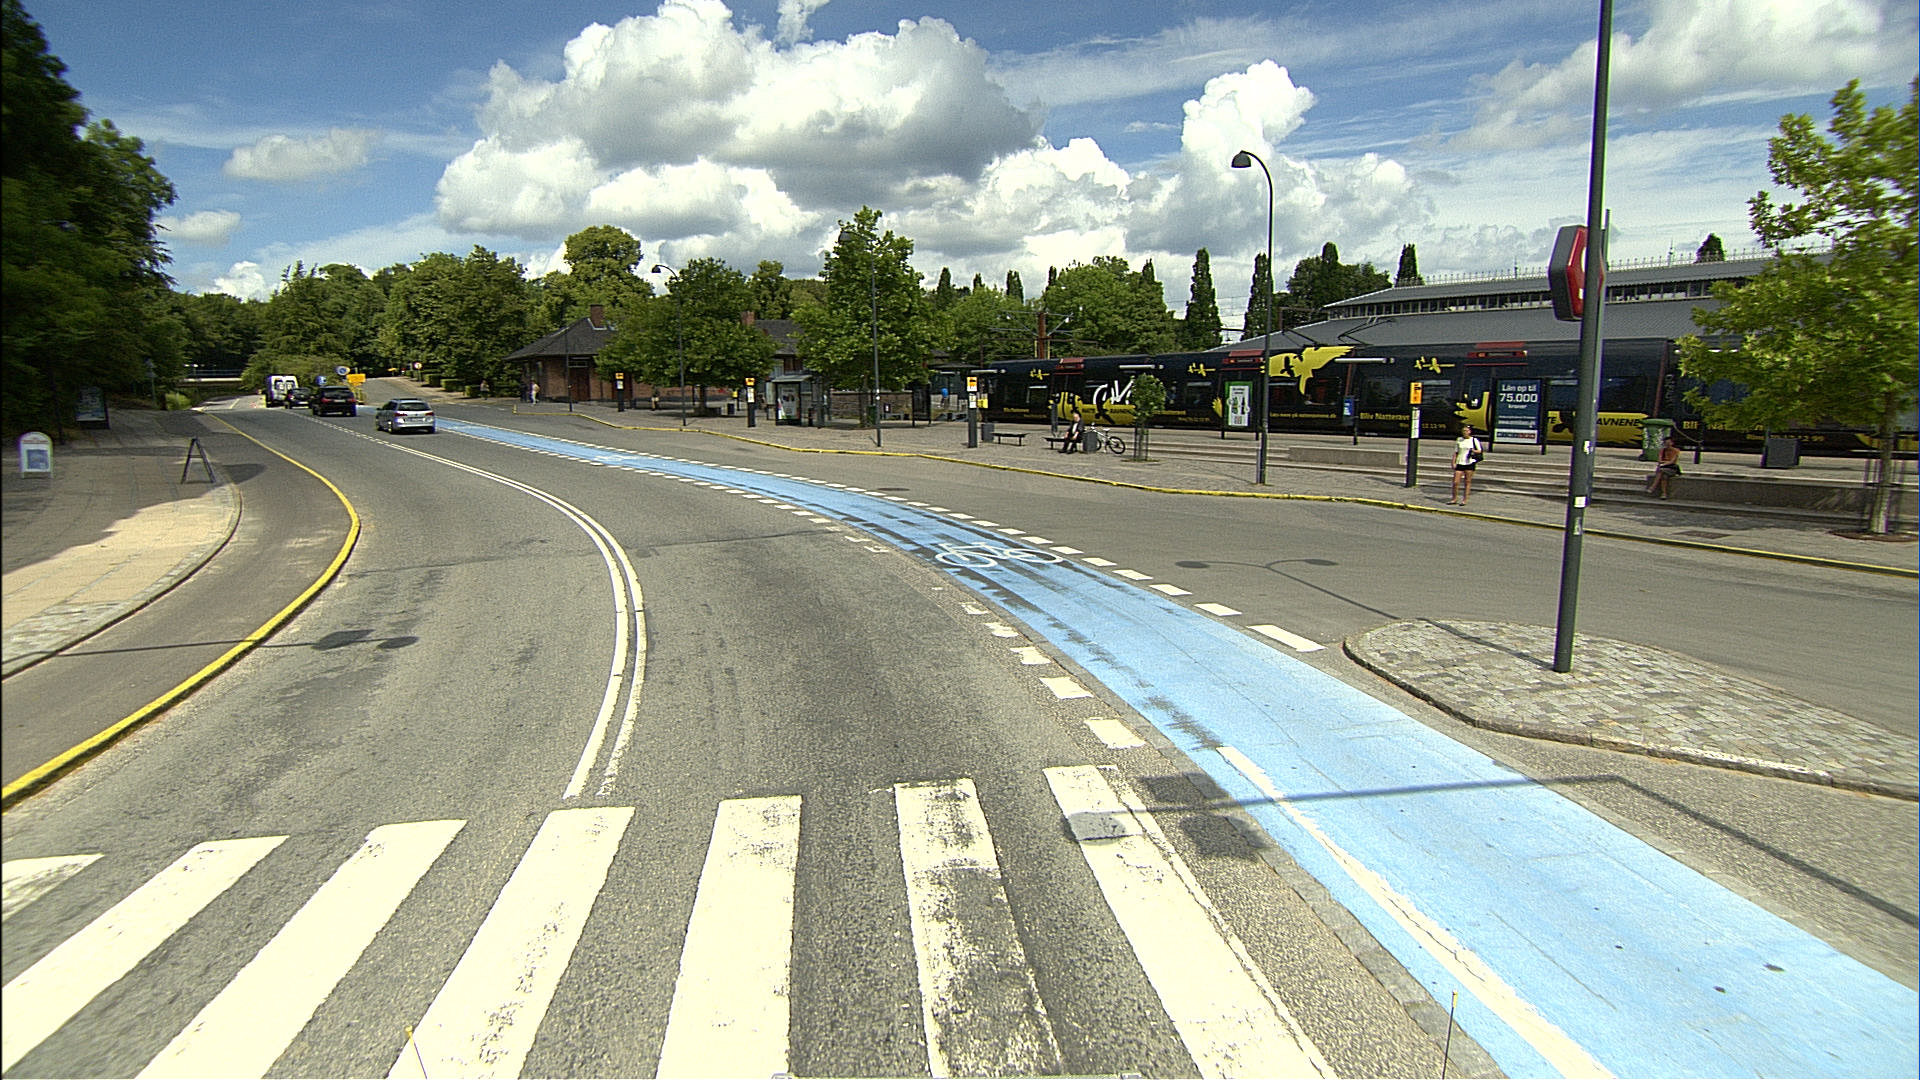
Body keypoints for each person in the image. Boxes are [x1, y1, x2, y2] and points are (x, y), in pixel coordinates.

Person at [1450, 424, 1483, 505]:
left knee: (1467, 481)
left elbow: (1479, 450)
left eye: (1466, 431)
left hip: (1469, 462)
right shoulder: (1459, 439)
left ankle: (1465, 500)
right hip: (1460, 462)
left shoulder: (1474, 440)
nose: (1465, 432)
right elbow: (1456, 452)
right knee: (1456, 482)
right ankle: (1454, 498)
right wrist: (1453, 462)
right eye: (1463, 431)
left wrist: (1473, 451)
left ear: (1470, 432)